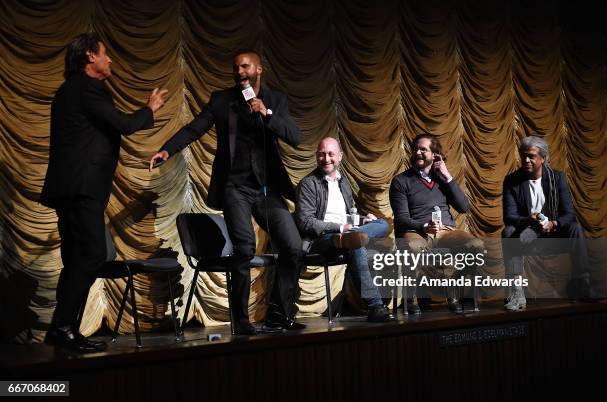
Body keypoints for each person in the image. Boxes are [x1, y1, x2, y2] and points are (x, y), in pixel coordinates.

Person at [149, 49, 304, 335]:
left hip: (267, 189)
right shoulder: (222, 100)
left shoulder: (276, 100)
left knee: (293, 248)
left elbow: (294, 136)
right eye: (236, 68)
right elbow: (195, 128)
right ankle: (241, 320)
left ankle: (278, 315)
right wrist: (167, 150)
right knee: (244, 248)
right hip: (236, 188)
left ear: (259, 70)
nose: (239, 72)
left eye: (245, 67)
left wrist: (266, 113)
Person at [41, 33, 167, 352]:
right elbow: (123, 124)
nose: (109, 59)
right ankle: (63, 327)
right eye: (104, 54)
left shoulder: (68, 91)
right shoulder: (88, 88)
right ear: (88, 56)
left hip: (68, 187)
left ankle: (65, 329)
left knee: (75, 259)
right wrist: (150, 109)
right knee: (92, 255)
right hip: (82, 187)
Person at [295, 137, 392, 322]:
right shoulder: (309, 184)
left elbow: (349, 215)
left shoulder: (343, 183)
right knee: (356, 245)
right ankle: (375, 306)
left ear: (339, 157)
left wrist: (364, 220)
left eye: (331, 154)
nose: (326, 158)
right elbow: (306, 222)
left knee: (382, 224)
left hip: (348, 233)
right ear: (317, 156)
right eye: (322, 154)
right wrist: (340, 227)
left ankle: (351, 237)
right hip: (321, 239)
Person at [390, 133, 484, 314]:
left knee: (476, 245)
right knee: (414, 246)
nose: (417, 152)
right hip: (416, 230)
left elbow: (464, 207)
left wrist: (447, 176)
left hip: (445, 230)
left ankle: (452, 288)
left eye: (423, 149)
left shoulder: (442, 179)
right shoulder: (401, 181)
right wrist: (424, 226)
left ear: (435, 155)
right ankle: (413, 297)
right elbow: (401, 219)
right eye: (416, 149)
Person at [502, 135, 595, 311]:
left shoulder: (557, 178)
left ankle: (583, 283)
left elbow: (569, 214)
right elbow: (509, 216)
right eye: (523, 156)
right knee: (508, 232)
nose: (526, 160)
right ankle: (517, 291)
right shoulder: (512, 181)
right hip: (527, 235)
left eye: (531, 156)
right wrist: (530, 220)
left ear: (543, 158)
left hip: (553, 234)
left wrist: (553, 223)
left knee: (575, 228)